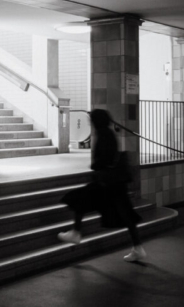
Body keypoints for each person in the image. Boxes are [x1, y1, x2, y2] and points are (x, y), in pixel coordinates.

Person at [58, 109, 146, 262]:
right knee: (126, 213)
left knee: (79, 199)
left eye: (91, 120)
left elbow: (103, 159)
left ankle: (76, 232)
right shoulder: (109, 133)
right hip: (115, 182)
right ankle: (137, 248)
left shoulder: (103, 135)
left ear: (96, 121)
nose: (90, 123)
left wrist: (94, 165)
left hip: (107, 182)